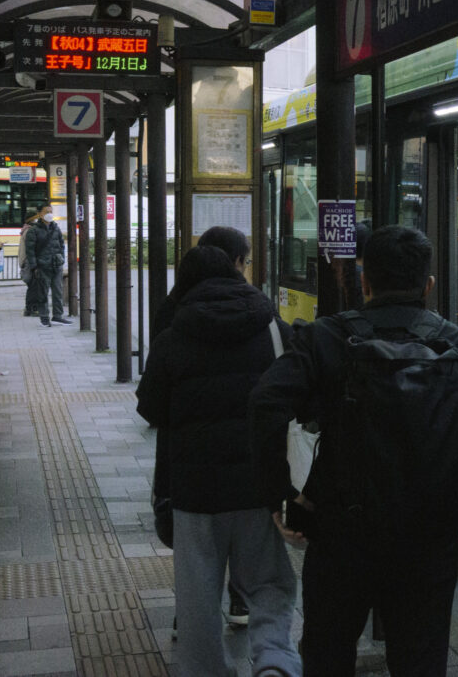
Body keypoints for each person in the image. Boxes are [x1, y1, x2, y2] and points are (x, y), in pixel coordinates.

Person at [249, 225, 458, 676]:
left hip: (340, 531)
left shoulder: (325, 338)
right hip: (430, 536)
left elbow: (264, 404)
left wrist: (281, 494)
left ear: (364, 281)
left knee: (327, 652)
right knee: (420, 659)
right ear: (429, 285)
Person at [136, 244, 301, 677]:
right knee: (269, 582)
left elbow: (151, 409)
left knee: (197, 596)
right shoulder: (272, 330)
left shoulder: (174, 338)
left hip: (194, 490)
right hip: (257, 484)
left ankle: (206, 670)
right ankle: (273, 660)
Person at [149, 224, 260, 628]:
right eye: (244, 261)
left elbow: (152, 403)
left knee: (196, 544)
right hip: (243, 454)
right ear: (233, 263)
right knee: (243, 530)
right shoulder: (258, 312)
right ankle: (241, 600)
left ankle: (193, 617)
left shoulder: (172, 310)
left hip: (186, 458)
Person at [27, 205, 69, 327]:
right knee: (43, 293)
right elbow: (30, 251)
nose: (50, 214)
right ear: (40, 214)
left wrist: (61, 258)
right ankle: (44, 318)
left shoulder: (56, 228)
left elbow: (61, 244)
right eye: (47, 212)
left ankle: (58, 316)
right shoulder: (33, 230)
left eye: (51, 211)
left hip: (56, 265)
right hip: (42, 266)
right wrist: (34, 267)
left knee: (58, 291)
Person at [19, 209, 44, 317]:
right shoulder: (30, 231)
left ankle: (29, 309)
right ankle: (33, 308)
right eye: (36, 217)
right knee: (34, 286)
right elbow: (32, 248)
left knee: (32, 286)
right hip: (30, 261)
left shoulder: (26, 229)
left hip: (27, 261)